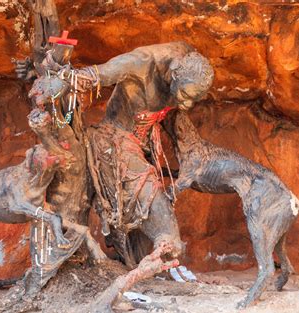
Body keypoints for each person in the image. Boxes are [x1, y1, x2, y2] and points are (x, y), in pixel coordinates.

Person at [72, 41, 215, 266]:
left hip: (145, 145)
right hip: (115, 140)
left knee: (147, 220)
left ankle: (140, 262)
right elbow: (92, 75)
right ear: (175, 76)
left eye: (193, 100)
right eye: (185, 94)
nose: (186, 105)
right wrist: (58, 79)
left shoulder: (187, 59)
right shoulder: (140, 63)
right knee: (154, 208)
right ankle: (144, 257)